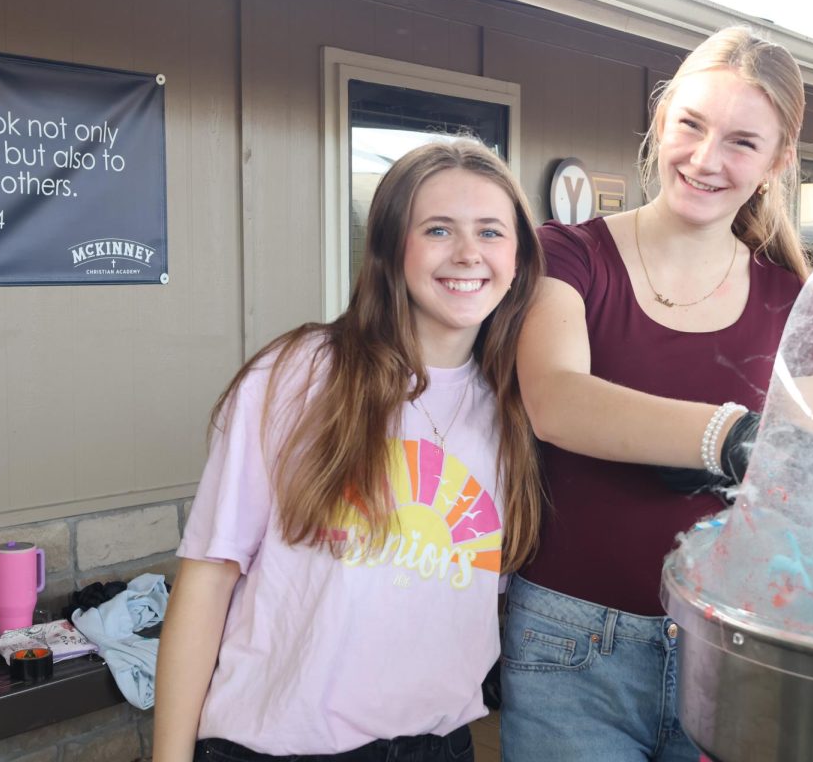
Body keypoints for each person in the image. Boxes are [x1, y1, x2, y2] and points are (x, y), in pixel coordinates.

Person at [152, 139, 545, 762]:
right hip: (275, 746)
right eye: (438, 229)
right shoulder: (298, 377)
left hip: (437, 747)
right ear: (392, 248)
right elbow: (208, 576)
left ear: (519, 258)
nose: (469, 253)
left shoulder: (522, 410)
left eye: (491, 231)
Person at [501, 26, 813, 761]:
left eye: (742, 141)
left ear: (779, 160)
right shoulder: (570, 254)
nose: (706, 160)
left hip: (738, 650)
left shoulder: (797, 298)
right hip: (571, 643)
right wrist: (729, 439)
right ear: (662, 117)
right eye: (691, 126)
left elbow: (801, 474)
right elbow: (558, 401)